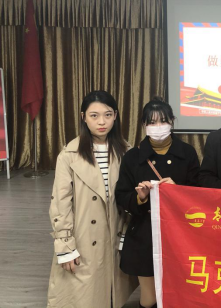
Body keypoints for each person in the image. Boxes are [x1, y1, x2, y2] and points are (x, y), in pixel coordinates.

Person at [47, 90, 137, 308]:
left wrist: (127, 233)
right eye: (94, 116)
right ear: (83, 117)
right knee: (84, 291)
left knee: (113, 286)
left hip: (116, 230)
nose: (102, 122)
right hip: (84, 234)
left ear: (115, 116)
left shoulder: (127, 152)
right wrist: (65, 244)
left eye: (107, 115)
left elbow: (130, 198)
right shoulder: (69, 155)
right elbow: (61, 203)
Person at [115, 97, 200, 308]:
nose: (158, 126)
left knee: (179, 290)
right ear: (144, 124)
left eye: (163, 121)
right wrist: (140, 197)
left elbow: (199, 194)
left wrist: (177, 190)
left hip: (181, 233)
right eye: (152, 122)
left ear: (172, 121)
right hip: (145, 233)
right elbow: (121, 195)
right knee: (151, 297)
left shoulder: (187, 153)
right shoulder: (132, 157)